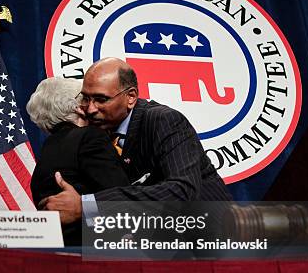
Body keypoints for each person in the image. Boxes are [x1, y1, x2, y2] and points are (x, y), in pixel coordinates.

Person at [40, 57, 231, 224]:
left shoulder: (163, 120)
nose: (90, 109)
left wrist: (87, 206)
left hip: (214, 239)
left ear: (130, 97)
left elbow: (182, 191)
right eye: (85, 98)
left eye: (100, 99)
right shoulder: (99, 131)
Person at [27, 77, 130, 245]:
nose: (94, 105)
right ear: (79, 108)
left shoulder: (48, 150)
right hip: (97, 251)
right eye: (87, 99)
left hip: (60, 254)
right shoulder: (90, 138)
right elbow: (122, 204)